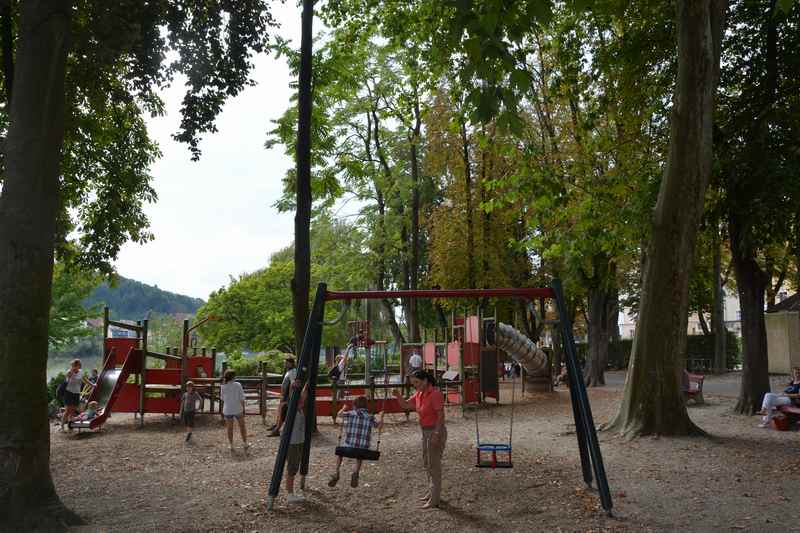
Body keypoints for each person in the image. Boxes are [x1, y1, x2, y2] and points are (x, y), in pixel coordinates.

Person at [394, 369, 447, 509]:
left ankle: (435, 499)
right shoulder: (419, 393)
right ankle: (432, 492)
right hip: (425, 431)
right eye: (413, 383)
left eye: (417, 382)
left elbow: (441, 416)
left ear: (425, 381)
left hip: (435, 431)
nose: (415, 385)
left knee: (434, 465)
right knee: (427, 462)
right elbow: (405, 405)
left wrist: (436, 434)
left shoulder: (435, 394)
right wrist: (397, 395)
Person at [328, 396, 381, 489]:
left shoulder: (350, 413)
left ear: (354, 406)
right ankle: (356, 472)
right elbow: (378, 426)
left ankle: (336, 472)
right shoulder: (370, 417)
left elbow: (339, 414)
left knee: (340, 452)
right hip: (363, 449)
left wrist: (343, 408)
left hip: (348, 448)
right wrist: (381, 417)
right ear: (366, 406)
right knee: (359, 455)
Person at [285, 378, 309, 504]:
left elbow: (303, 396)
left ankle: (290, 492)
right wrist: (292, 387)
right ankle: (290, 494)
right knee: (292, 468)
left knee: (294, 466)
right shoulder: (293, 409)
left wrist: (307, 384)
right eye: (299, 398)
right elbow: (291, 397)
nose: (302, 399)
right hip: (293, 442)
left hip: (299, 441)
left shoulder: (299, 408)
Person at [220, 370, 249, 451]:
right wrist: (244, 409)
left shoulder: (223, 386)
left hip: (227, 410)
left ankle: (231, 445)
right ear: (233, 376)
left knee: (229, 428)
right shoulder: (238, 385)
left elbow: (222, 399)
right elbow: (242, 399)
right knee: (242, 427)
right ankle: (245, 443)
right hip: (238, 409)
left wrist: (222, 410)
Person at [269, 357, 297, 437]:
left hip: (287, 396)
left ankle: (277, 429)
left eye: (286, 363)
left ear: (291, 363)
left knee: (282, 412)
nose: (285, 364)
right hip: (285, 395)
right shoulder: (288, 371)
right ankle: (276, 426)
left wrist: (289, 396)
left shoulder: (292, 372)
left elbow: (292, 384)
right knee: (280, 411)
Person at [61, 359, 83, 431]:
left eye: (78, 365)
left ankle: (70, 426)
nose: (76, 367)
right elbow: (66, 380)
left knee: (73, 410)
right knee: (67, 410)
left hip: (77, 393)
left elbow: (84, 379)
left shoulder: (81, 372)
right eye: (74, 365)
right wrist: (70, 373)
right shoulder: (69, 372)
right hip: (69, 392)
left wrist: (92, 385)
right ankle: (62, 426)